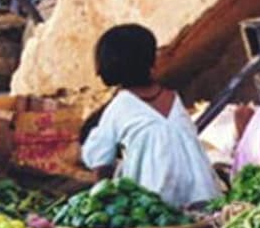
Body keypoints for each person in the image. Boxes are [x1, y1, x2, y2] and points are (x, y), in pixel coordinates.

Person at [80, 24, 221, 208]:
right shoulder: (173, 98)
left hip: (157, 207)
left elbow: (100, 161)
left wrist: (101, 202)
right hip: (204, 198)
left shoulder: (120, 107)